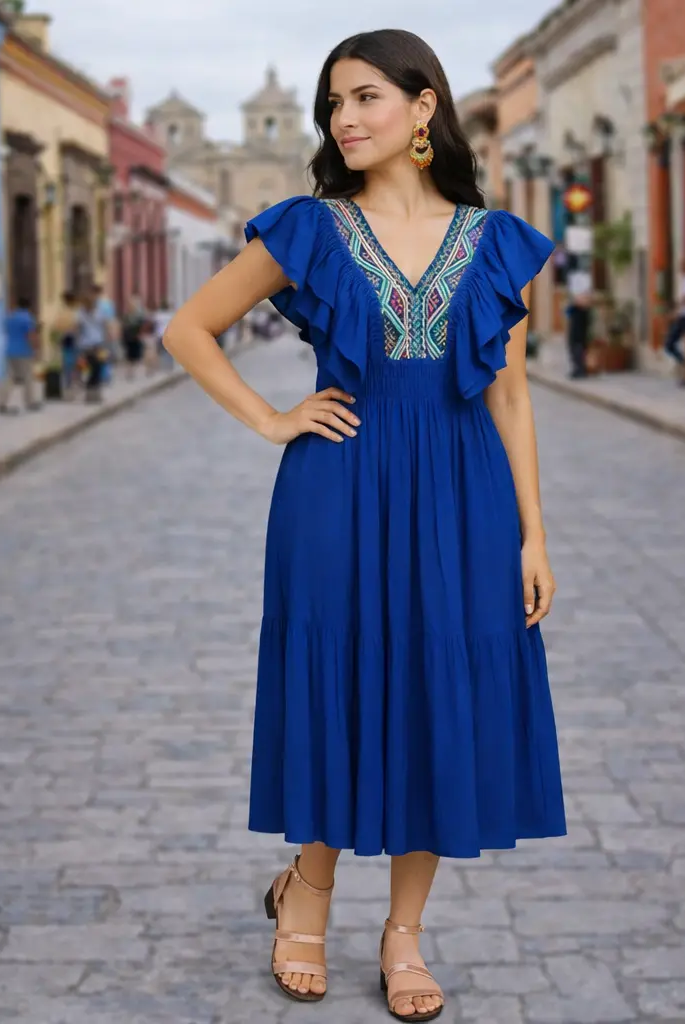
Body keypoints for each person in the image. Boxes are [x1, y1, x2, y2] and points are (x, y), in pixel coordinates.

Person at [164, 29, 565, 1022]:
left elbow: (510, 398)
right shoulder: (306, 228)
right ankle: (309, 891)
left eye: (366, 96)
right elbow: (188, 328)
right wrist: (269, 419)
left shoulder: (496, 240)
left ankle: (404, 933)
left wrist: (533, 535)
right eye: (332, 103)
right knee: (336, 678)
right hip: (336, 489)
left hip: (464, 493)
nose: (345, 118)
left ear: (424, 107)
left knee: (440, 688)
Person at [0, 297, 40, 414]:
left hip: (10, 351)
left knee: (9, 377)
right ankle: (30, 402)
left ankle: (2, 402)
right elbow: (31, 335)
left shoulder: (10, 317)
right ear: (28, 307)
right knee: (28, 377)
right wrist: (36, 349)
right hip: (24, 351)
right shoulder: (28, 319)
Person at [76, 289, 107, 403]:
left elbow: (78, 329)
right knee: (97, 369)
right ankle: (94, 395)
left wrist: (78, 342)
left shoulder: (80, 313)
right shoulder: (99, 312)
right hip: (96, 343)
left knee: (91, 369)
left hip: (86, 344)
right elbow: (105, 326)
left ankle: (90, 395)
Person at [51, 292, 79, 398]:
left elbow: (56, 326)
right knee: (73, 363)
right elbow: (77, 325)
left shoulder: (61, 311)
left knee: (67, 363)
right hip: (74, 339)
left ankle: (69, 385)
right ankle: (72, 384)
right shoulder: (76, 311)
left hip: (65, 338)